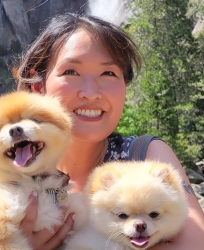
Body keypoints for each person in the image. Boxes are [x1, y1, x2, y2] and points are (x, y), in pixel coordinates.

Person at [13, 13, 204, 250]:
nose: (91, 93)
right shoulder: (15, 171)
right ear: (38, 86)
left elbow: (195, 243)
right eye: (71, 72)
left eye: (108, 73)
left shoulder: (145, 155)